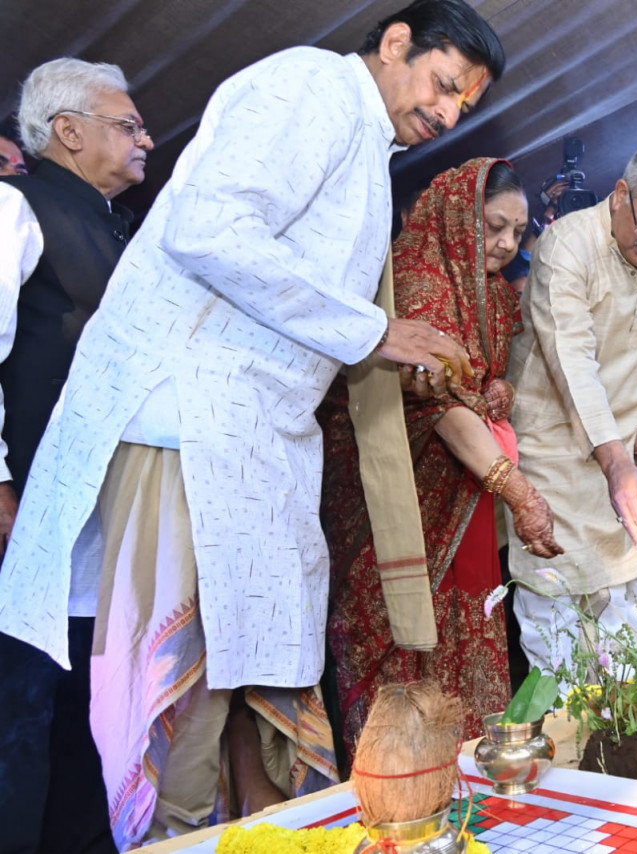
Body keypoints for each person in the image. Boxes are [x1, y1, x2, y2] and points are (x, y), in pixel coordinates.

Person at [0, 1, 505, 847]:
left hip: (252, 448)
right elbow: (209, 228)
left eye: (464, 105)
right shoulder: (306, 86)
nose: (447, 114)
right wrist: (374, 331)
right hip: (186, 432)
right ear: (393, 45)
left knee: (259, 692)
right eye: (444, 84)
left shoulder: (362, 141)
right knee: (185, 702)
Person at [319, 158, 562, 761]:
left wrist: (495, 388)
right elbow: (442, 412)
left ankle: (470, 782)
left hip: (466, 498)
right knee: (402, 643)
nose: (506, 244)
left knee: (470, 622)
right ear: (457, 216)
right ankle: (400, 786)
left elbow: (477, 382)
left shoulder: (494, 297)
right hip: (399, 500)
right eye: (493, 226)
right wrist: (521, 494)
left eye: (516, 231)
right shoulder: (416, 280)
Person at [0, 57, 151, 854]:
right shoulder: (12, 206)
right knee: (20, 720)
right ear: (67, 130)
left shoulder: (120, 229)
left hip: (101, 523)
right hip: (27, 511)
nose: (146, 140)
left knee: (85, 719)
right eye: (128, 125)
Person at [505, 144, 637, 677]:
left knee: (631, 600)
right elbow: (572, 363)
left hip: (621, 445)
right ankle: (570, 740)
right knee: (559, 606)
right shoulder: (565, 246)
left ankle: (630, 738)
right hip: (553, 451)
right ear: (621, 196)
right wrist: (615, 460)